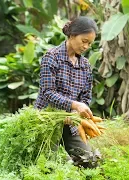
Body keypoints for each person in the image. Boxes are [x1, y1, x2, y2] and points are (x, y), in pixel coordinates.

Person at [34, 16, 99, 168]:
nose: (86, 47)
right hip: (47, 120)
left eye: (89, 44)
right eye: (84, 41)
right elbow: (48, 92)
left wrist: (76, 113)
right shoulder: (51, 57)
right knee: (54, 165)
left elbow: (86, 96)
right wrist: (73, 105)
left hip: (71, 123)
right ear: (72, 35)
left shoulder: (85, 65)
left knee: (90, 161)